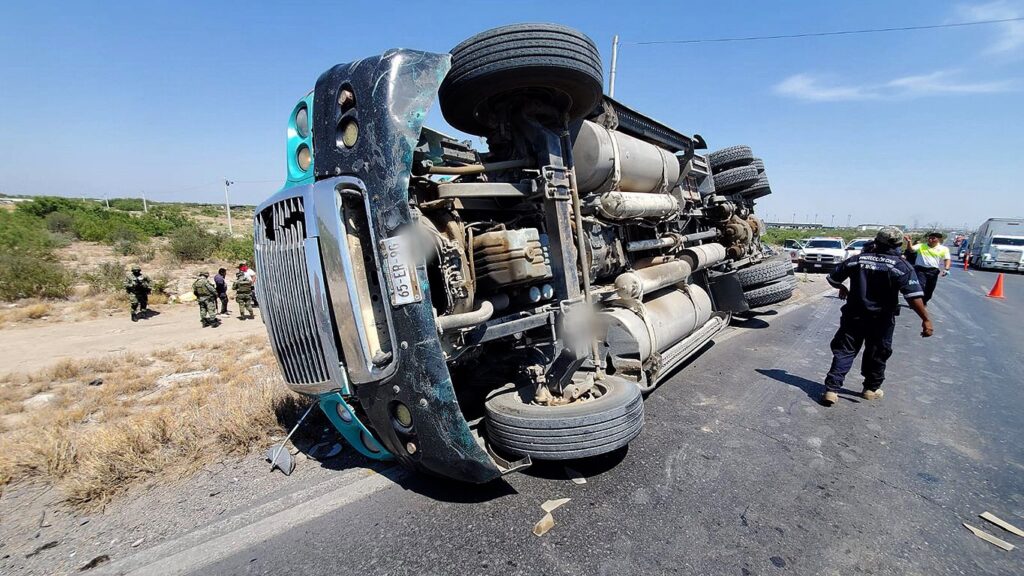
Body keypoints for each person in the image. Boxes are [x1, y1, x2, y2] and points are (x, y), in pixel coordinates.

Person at [821, 227, 934, 406]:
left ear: (876, 241)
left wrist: (842, 287)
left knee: (844, 351)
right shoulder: (900, 265)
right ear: (898, 244)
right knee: (878, 352)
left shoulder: (857, 260)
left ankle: (832, 390)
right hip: (881, 320)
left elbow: (832, 278)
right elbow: (913, 298)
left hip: (854, 316)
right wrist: (926, 319)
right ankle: (870, 389)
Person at [906, 232, 951, 305]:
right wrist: (909, 242)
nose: (931, 240)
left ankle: (924, 302)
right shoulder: (921, 246)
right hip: (920, 269)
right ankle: (917, 303)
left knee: (929, 290)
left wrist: (946, 269)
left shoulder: (943, 249)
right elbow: (911, 249)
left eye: (933, 238)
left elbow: (947, 259)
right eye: (930, 238)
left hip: (933, 271)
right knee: (920, 287)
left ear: (938, 239)